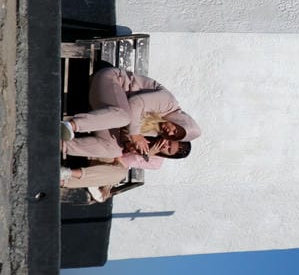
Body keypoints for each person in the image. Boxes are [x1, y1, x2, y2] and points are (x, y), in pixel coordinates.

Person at [60, 67, 201, 154]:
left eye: (172, 136)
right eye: (175, 130)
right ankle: (70, 125)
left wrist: (131, 144)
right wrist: (135, 135)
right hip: (110, 81)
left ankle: (59, 145)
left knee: (114, 149)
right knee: (124, 117)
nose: (169, 132)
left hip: (105, 110)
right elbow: (135, 103)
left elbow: (124, 132)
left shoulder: (157, 130)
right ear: (180, 121)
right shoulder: (168, 103)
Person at [60, 136, 191, 203]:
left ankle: (63, 178)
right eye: (170, 142)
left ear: (170, 156)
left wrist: (147, 154)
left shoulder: (156, 163)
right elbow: (120, 152)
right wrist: (143, 152)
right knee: (114, 169)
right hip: (107, 151)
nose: (165, 146)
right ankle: (69, 176)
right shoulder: (151, 134)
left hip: (113, 165)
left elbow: (125, 163)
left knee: (119, 175)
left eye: (169, 150)